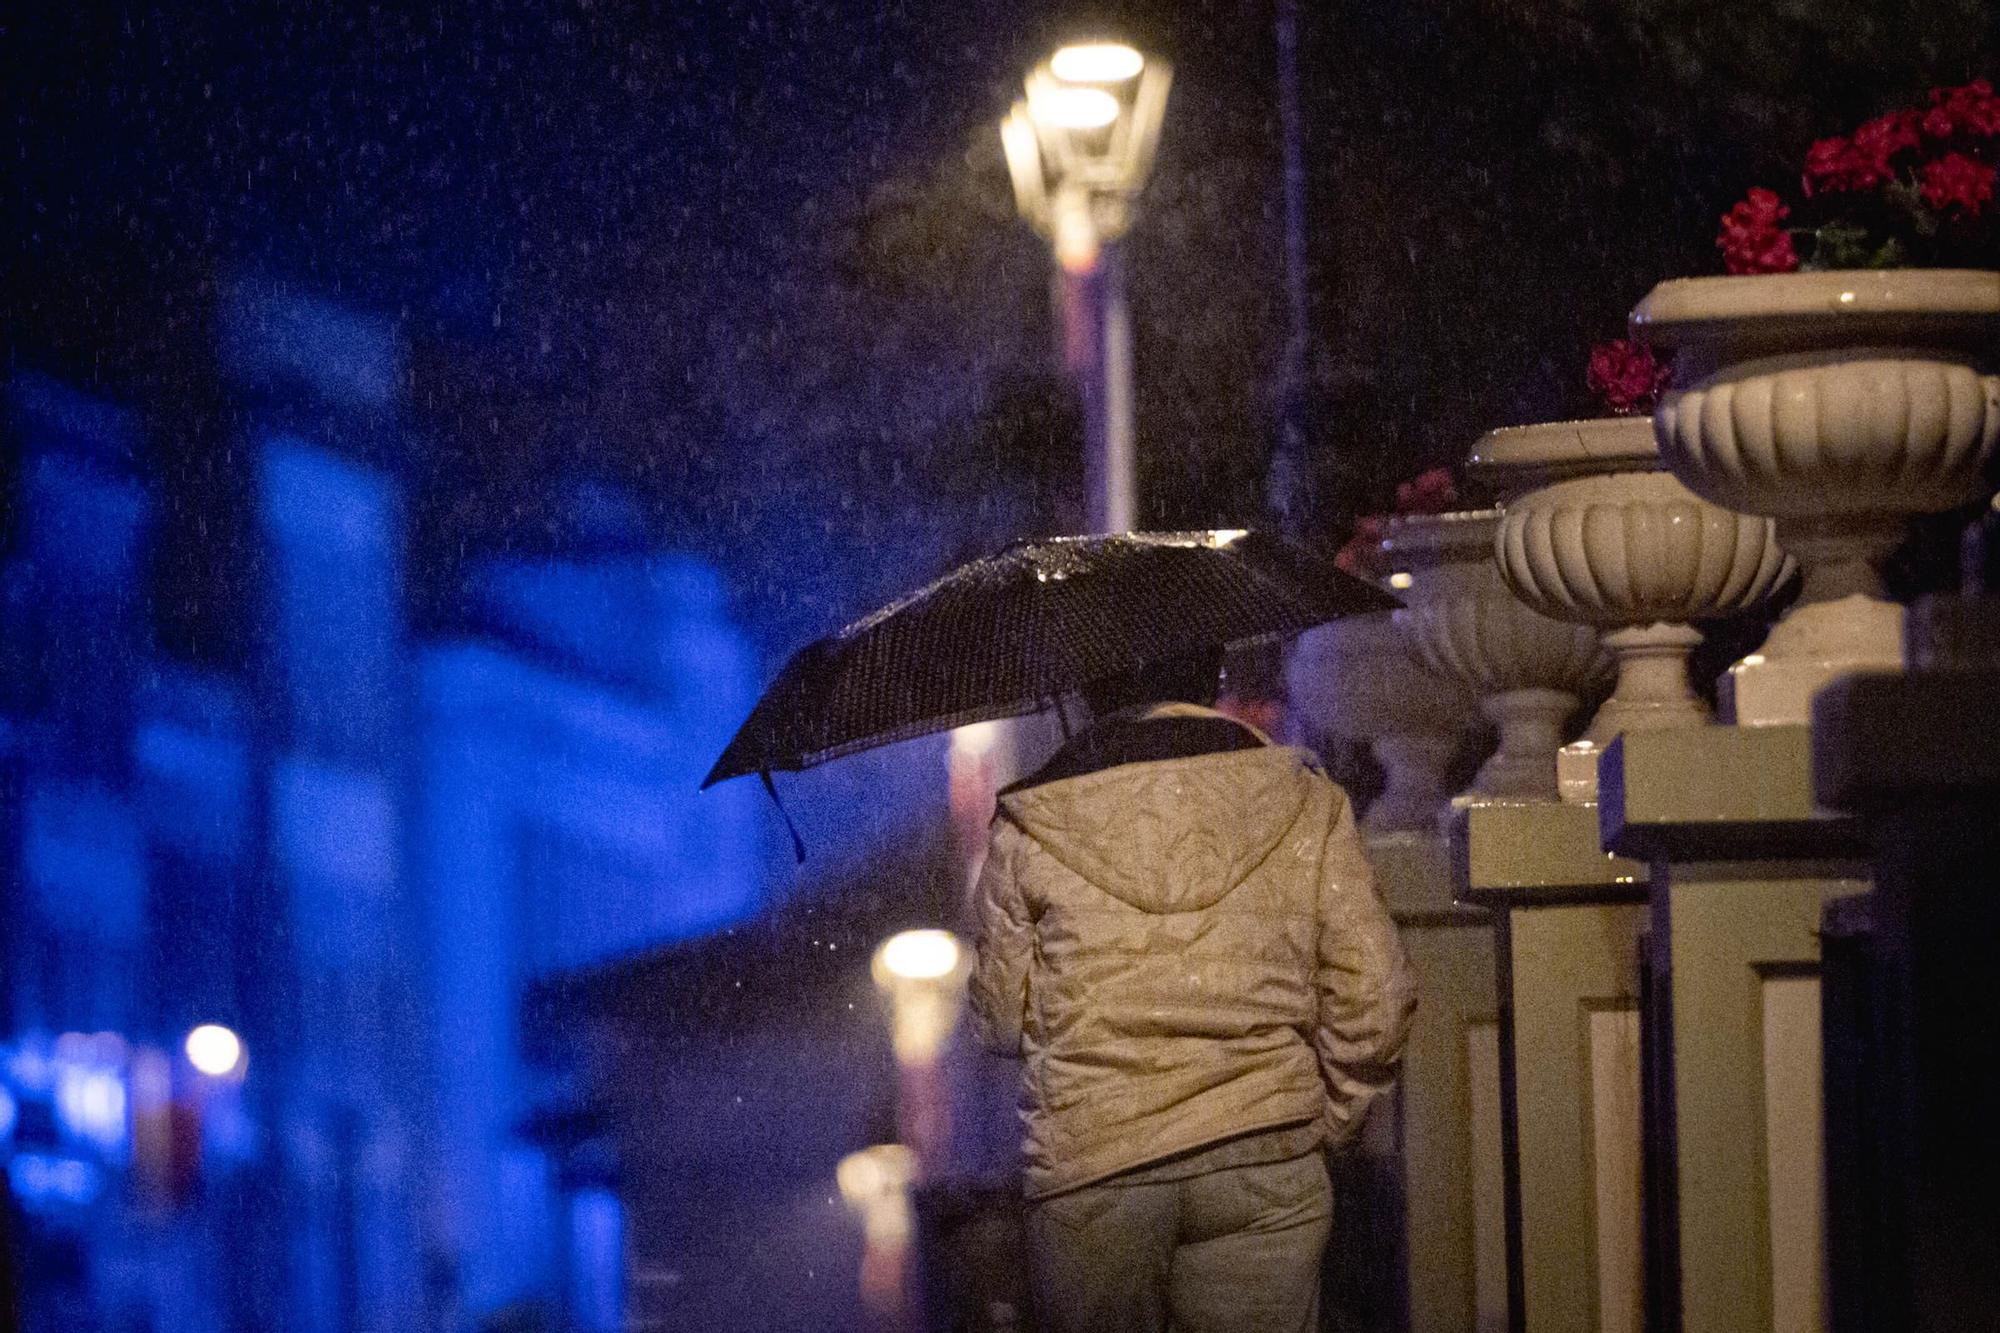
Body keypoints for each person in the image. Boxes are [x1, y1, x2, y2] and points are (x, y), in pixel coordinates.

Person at [968, 648, 1415, 1333]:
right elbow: (1376, 998)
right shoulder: (1300, 796)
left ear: (1087, 693)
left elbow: (1001, 1021)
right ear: (1211, 677)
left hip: (1095, 1164)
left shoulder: (1032, 819)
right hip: (1264, 1151)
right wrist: (1322, 1118)